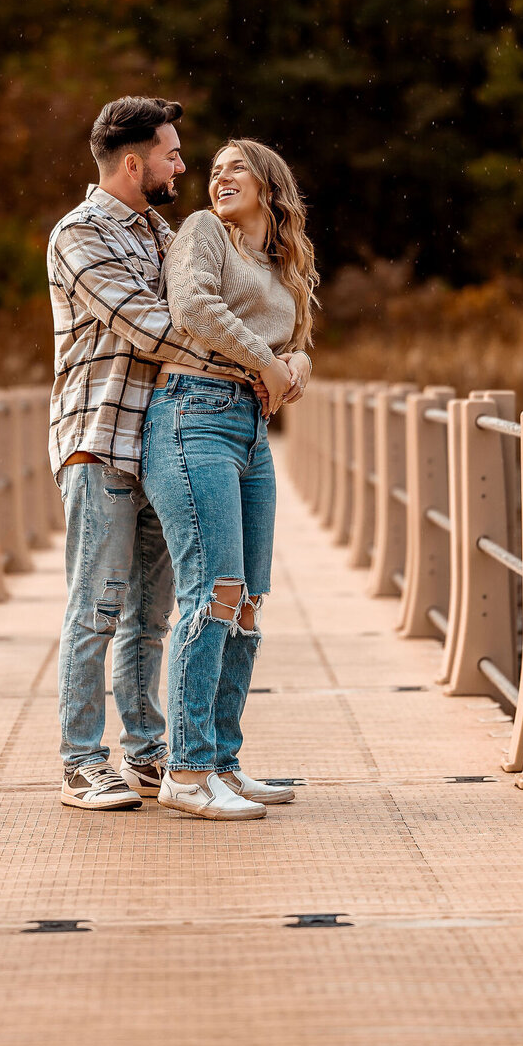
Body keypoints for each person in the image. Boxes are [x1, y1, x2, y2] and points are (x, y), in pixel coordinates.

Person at [46, 98, 289, 810]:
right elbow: (152, 328)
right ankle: (81, 763)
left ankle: (151, 752)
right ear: (133, 162)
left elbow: (227, 305)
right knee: (97, 607)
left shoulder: (162, 232)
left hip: (159, 436)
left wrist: (275, 357)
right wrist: (256, 366)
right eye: (173, 155)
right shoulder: (78, 234)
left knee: (154, 616)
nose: (182, 166)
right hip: (99, 440)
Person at [141, 139, 317, 821]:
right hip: (191, 416)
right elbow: (194, 309)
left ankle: (219, 761)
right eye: (211, 171)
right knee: (212, 590)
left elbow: (294, 342)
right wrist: (269, 366)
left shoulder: (281, 263)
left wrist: (295, 365)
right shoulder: (203, 232)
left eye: (234, 168)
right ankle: (184, 771)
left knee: (247, 601)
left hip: (249, 427)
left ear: (270, 183)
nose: (218, 179)